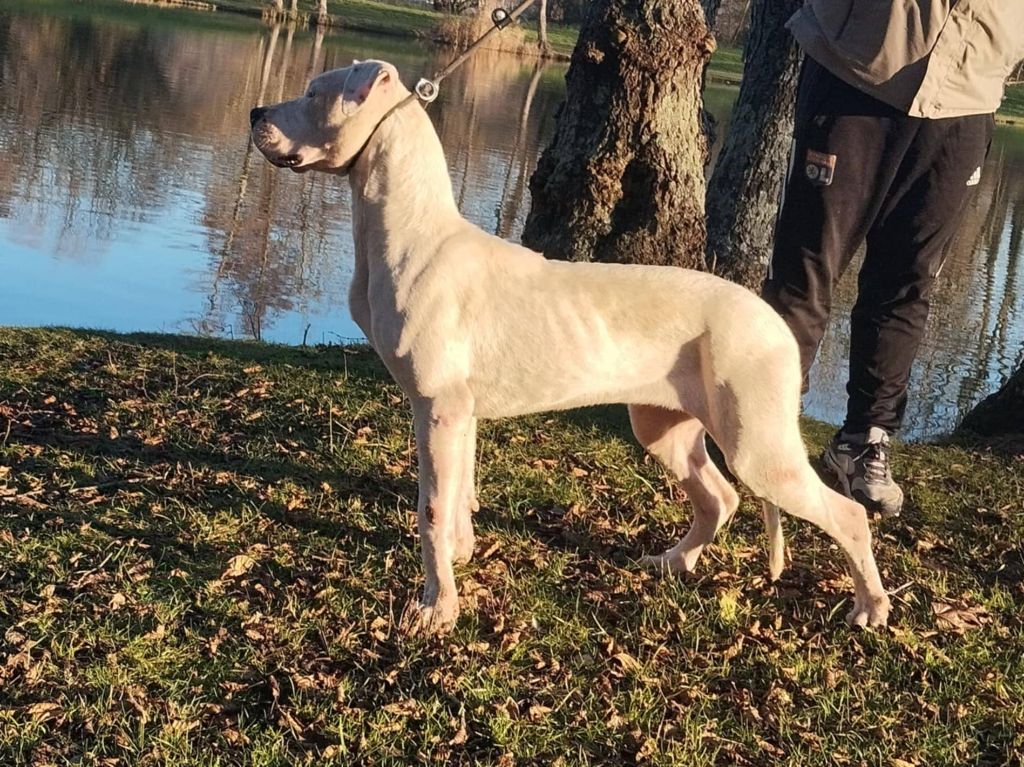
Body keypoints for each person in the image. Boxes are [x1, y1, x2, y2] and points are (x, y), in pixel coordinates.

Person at [762, 1, 1024, 516]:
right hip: (859, 65)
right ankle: (764, 421)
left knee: (909, 282)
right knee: (808, 265)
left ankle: (863, 443)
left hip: (969, 89)